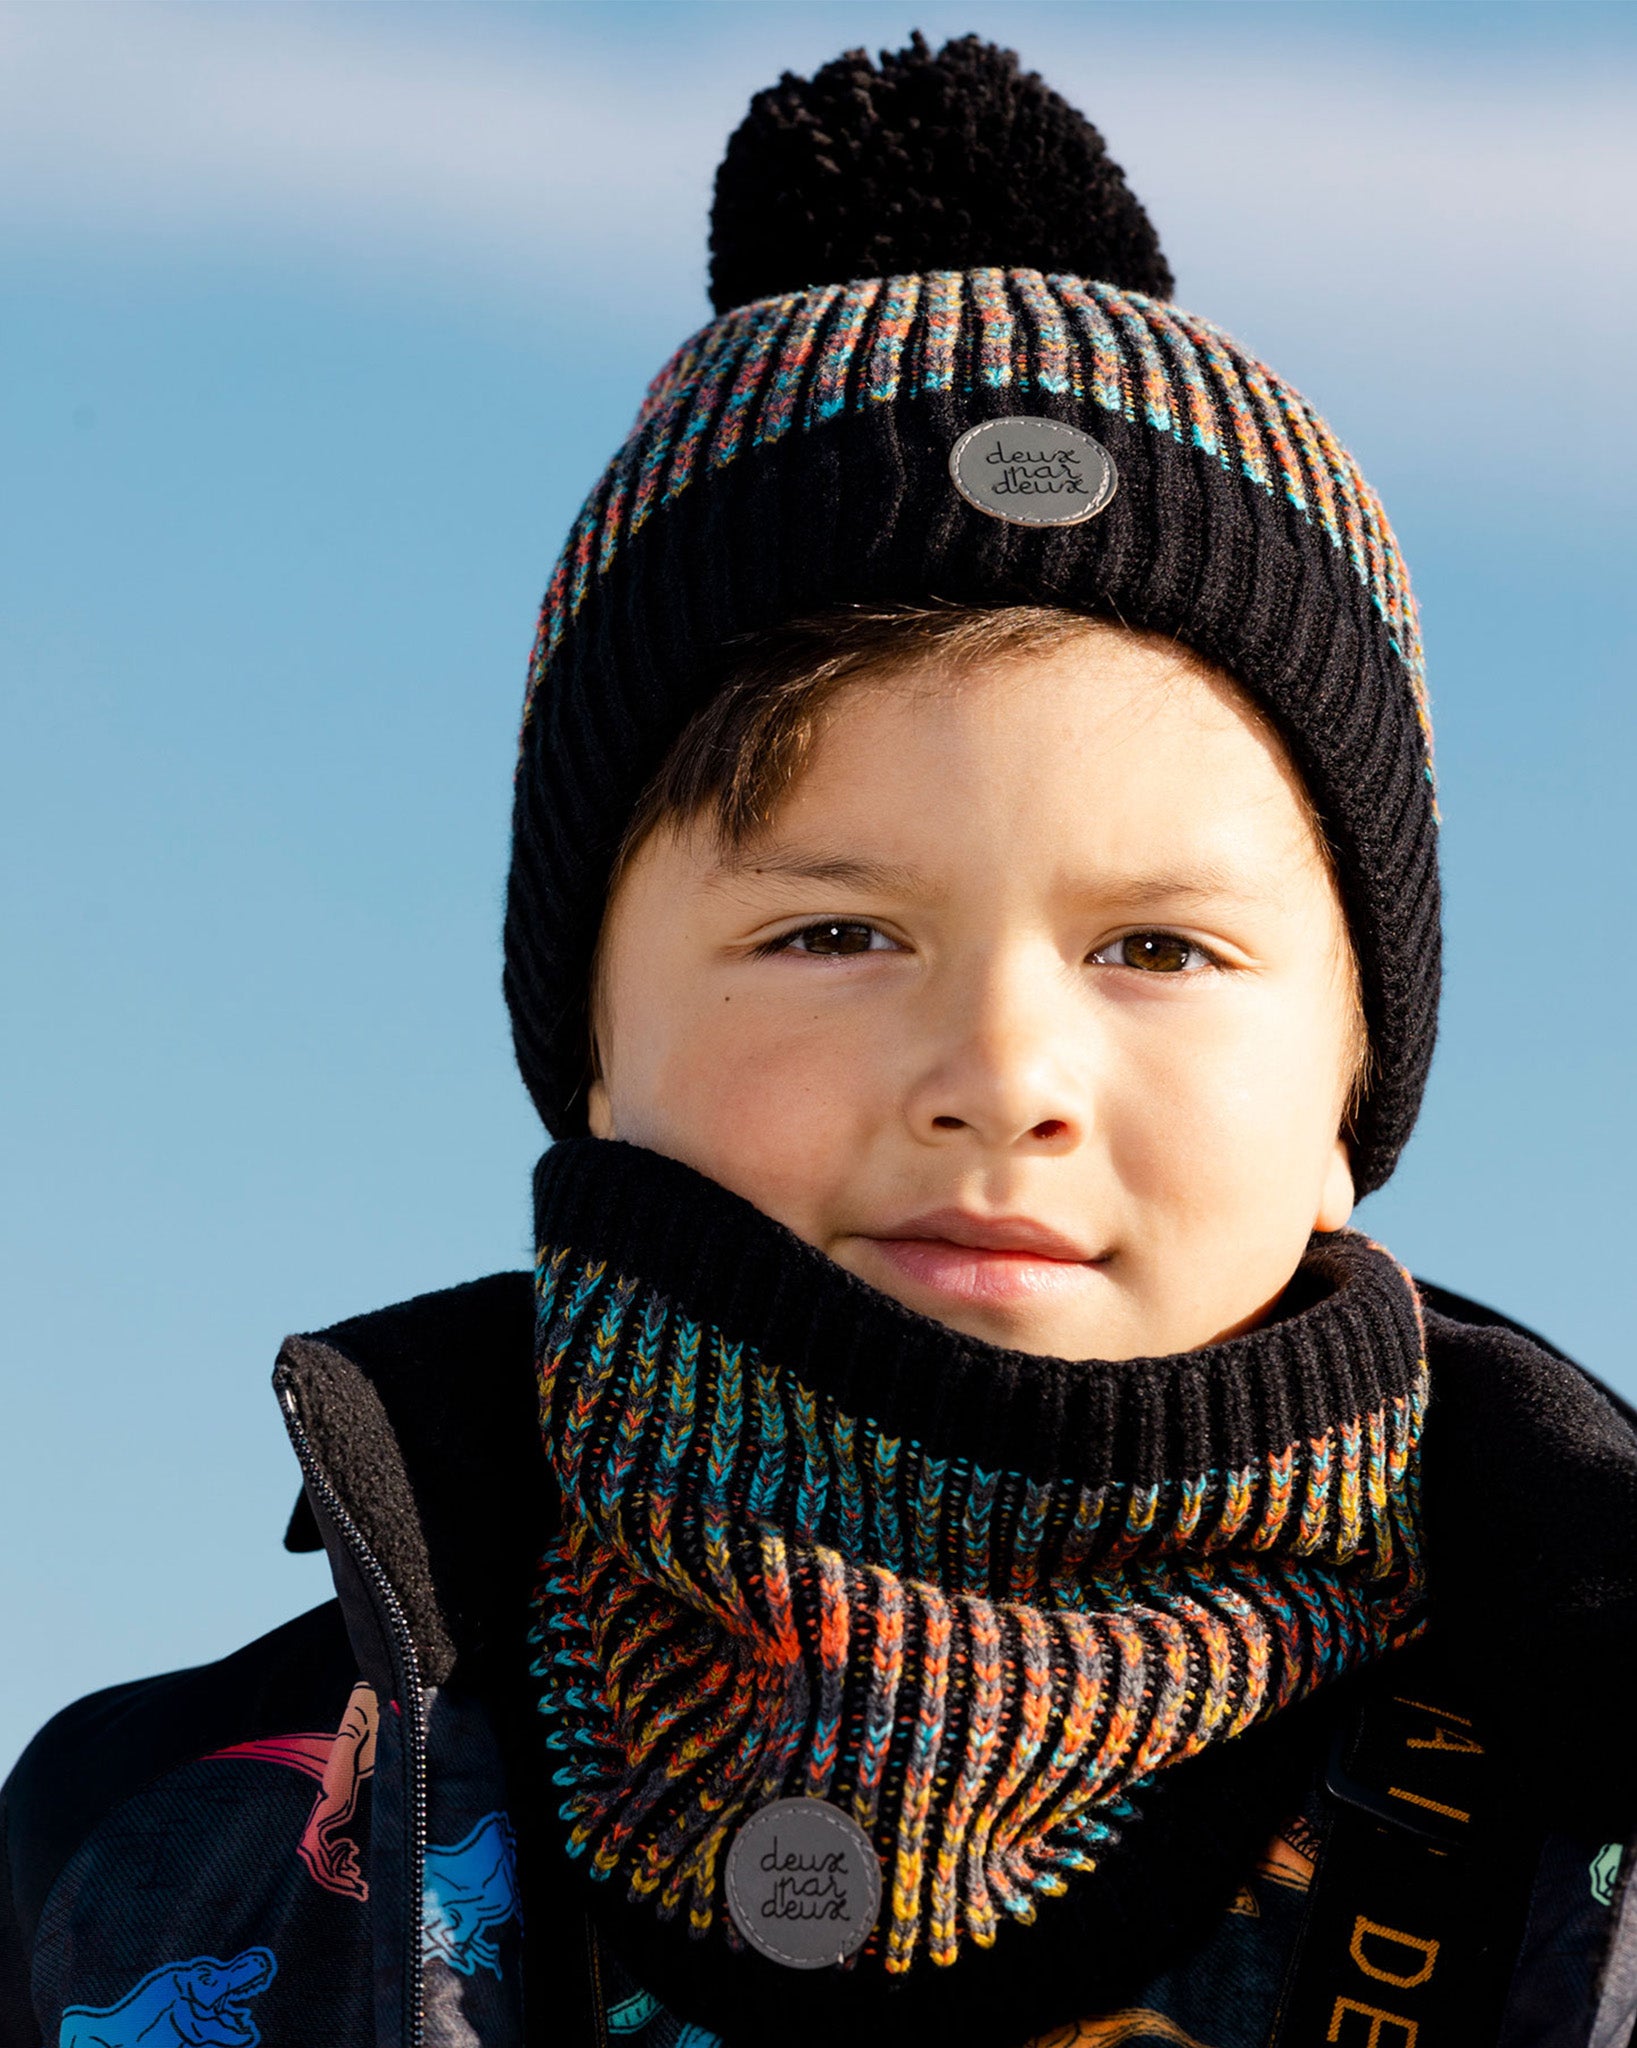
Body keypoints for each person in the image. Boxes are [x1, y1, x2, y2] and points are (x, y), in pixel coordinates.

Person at [3, 33, 1634, 2048]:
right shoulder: (159, 1846)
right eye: (835, 928)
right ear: (593, 1035)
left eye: (1159, 945)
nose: (1000, 1068)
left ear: (1348, 1093)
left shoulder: (1599, 1810)